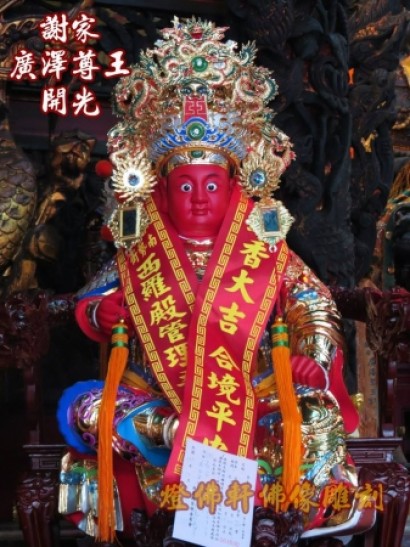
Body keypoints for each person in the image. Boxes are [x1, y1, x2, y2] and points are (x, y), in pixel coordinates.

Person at [57, 17, 364, 545]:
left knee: (314, 413)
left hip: (253, 391)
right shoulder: (140, 252)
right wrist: (99, 312)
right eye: (184, 185)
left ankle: (298, 509)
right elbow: (91, 299)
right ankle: (193, 451)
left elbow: (313, 303)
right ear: (161, 191)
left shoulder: (267, 249)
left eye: (212, 184)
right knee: (88, 408)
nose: (199, 198)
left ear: (235, 188)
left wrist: (311, 357)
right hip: (162, 397)